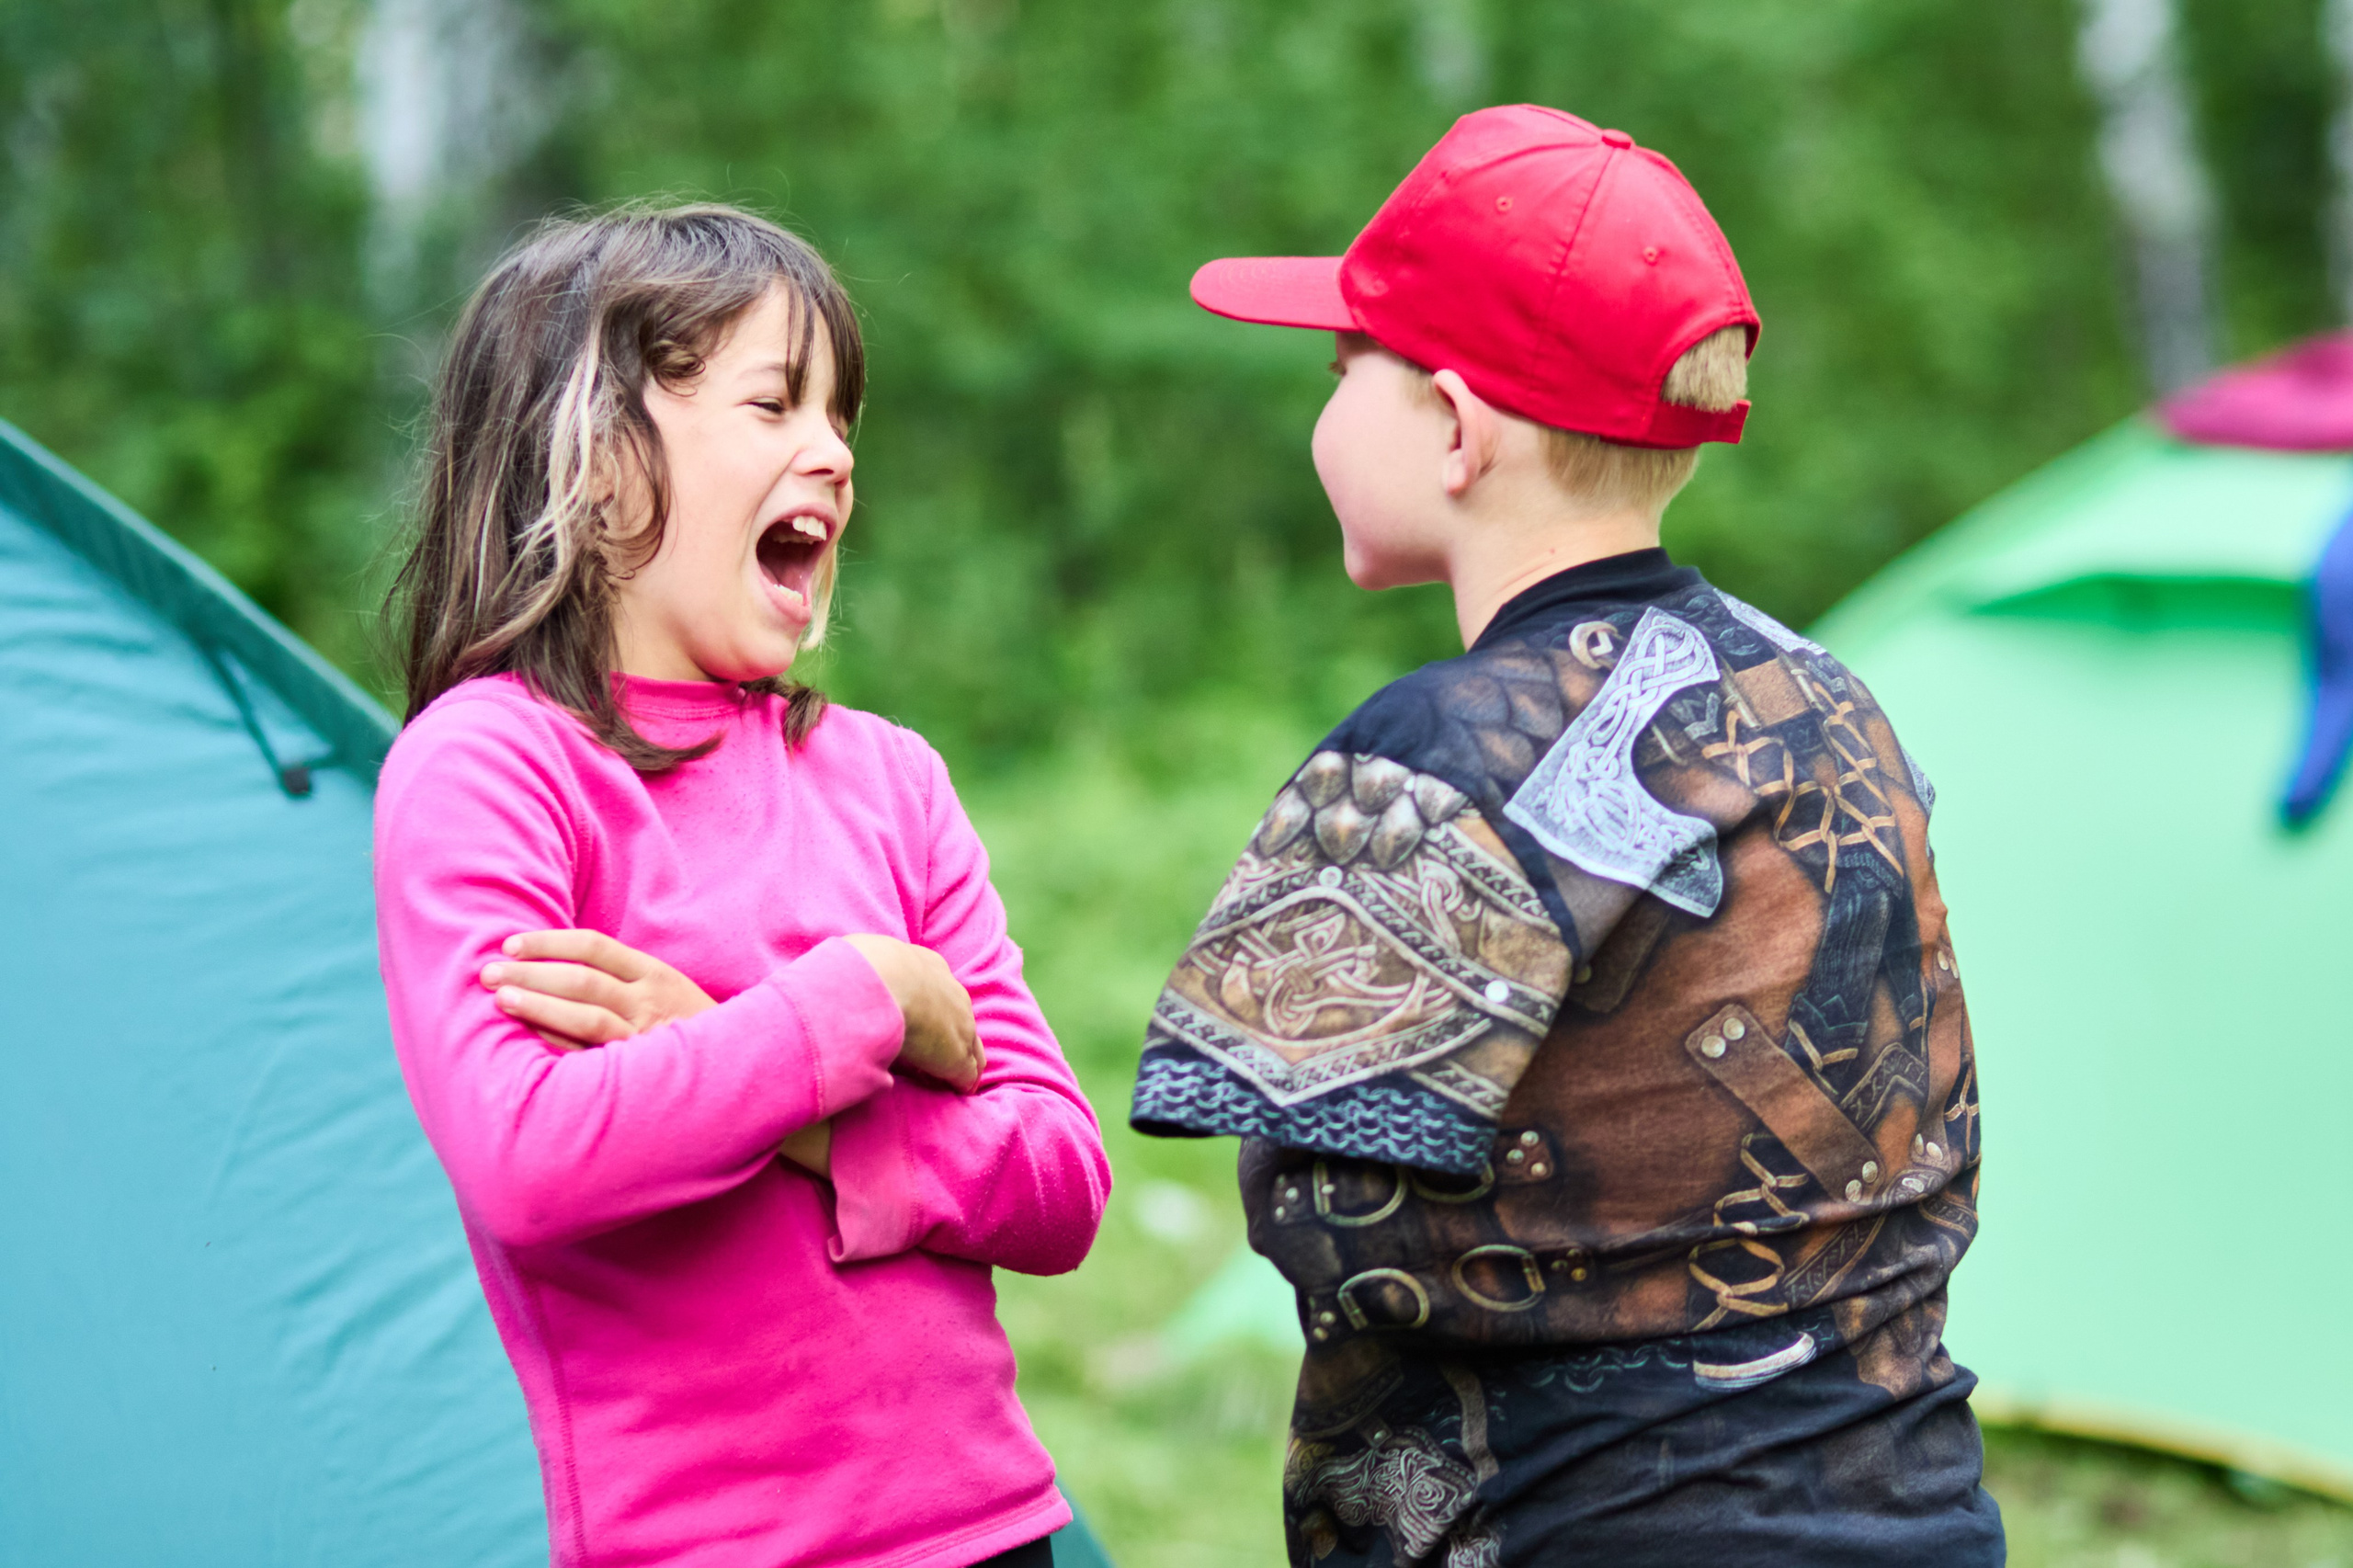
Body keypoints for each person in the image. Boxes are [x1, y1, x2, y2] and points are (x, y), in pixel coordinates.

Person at [1130, 106, 2001, 1565]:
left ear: (1458, 430)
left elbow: (1325, 1212)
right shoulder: (1831, 698)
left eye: (1350, 371)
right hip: (1913, 1506)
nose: (1322, 413)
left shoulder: (1445, 746)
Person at [373, 204, 1109, 1568]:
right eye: (773, 403)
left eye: (841, 416)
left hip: (997, 1528)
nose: (830, 452)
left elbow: (1061, 1181)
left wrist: (772, 1092)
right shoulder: (486, 768)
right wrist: (867, 996)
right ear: (594, 466)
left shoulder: (889, 778)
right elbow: (533, 1156)